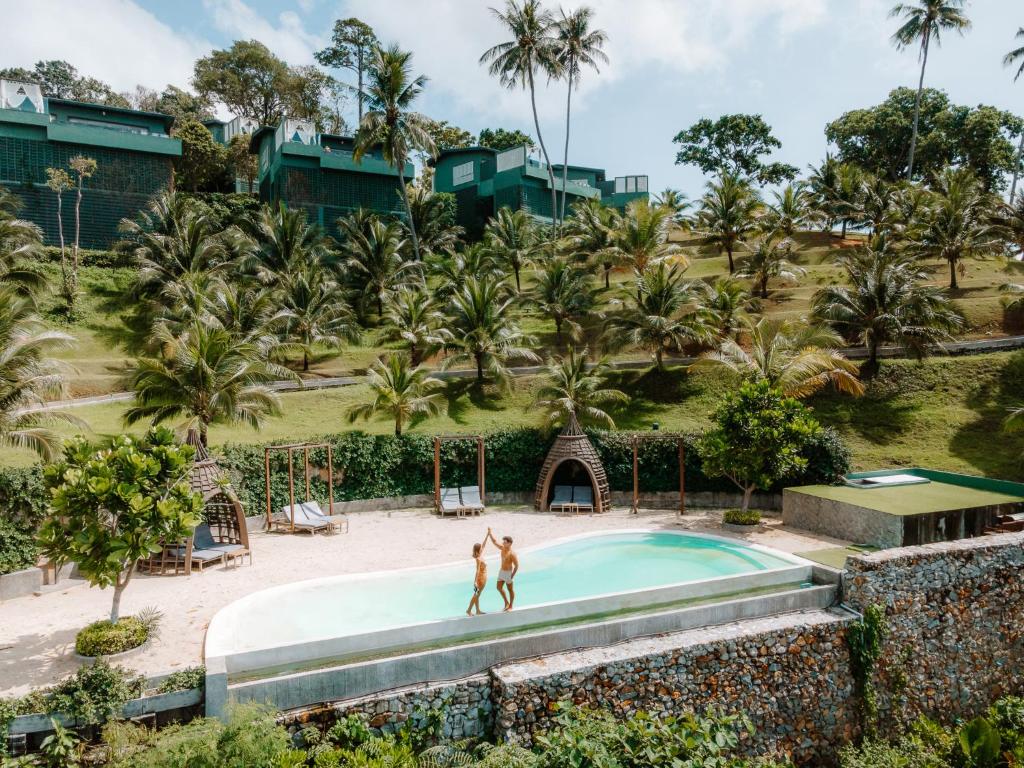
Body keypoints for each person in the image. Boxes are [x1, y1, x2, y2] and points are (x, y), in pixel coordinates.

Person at [487, 528, 519, 611]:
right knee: (498, 587)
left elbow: (516, 565)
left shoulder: (512, 554)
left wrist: (512, 575)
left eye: (505, 542)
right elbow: (494, 542)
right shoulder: (502, 548)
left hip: (508, 573)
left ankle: (511, 605)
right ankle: (506, 602)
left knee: (510, 590)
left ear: (509, 543)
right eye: (503, 542)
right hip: (501, 572)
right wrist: (490, 534)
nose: (503, 543)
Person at [466, 531, 489, 616]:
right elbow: (477, 570)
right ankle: (468, 610)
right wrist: (475, 581)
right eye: (480, 547)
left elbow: (484, 544)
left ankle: (477, 610)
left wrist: (487, 535)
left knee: (477, 595)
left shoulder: (480, 555)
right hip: (480, 579)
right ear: (478, 549)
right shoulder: (478, 559)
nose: (482, 548)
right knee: (476, 594)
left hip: (482, 578)